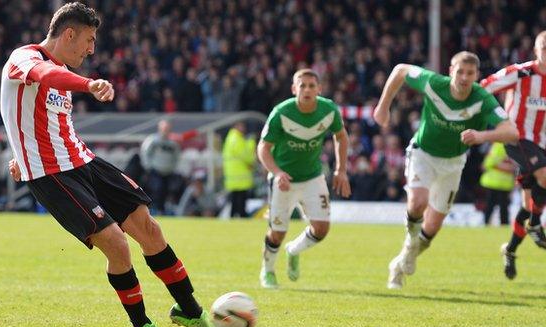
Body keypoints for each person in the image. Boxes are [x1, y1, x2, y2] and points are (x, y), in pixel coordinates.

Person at [0, 3, 219, 327]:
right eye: (88, 40)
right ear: (68, 34)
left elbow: (41, 120)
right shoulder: (25, 58)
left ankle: (189, 309)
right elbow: (43, 76)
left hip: (84, 162)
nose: (91, 49)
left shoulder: (61, 71)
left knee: (149, 228)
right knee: (116, 244)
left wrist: (19, 150)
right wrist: (88, 85)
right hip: (51, 174)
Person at [373, 51, 519, 289]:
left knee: (432, 228)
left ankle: (399, 264)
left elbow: (511, 131)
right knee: (417, 203)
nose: (463, 77)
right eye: (459, 71)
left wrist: (482, 135)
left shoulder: (481, 99)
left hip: (453, 163)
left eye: (469, 73)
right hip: (423, 154)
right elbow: (400, 69)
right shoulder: (433, 83)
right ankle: (410, 246)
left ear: (476, 76)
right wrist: (383, 106)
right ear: (451, 71)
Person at [257, 68, 351, 289]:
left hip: (312, 178)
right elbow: (263, 148)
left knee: (322, 228)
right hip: (284, 180)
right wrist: (277, 172)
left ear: (319, 89)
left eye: (311, 86)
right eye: (302, 85)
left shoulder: (328, 110)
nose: (307, 89)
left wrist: (341, 169)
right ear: (294, 89)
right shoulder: (281, 113)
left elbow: (341, 136)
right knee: (277, 232)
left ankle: (294, 250)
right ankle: (268, 271)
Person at [480, 31, 546, 279]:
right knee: (544, 176)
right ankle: (537, 225)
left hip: (541, 144)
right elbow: (484, 88)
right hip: (517, 137)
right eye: (544, 47)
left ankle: (510, 250)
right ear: (536, 50)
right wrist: (495, 118)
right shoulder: (521, 72)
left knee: (527, 206)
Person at [140, 119, 182, 215]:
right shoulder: (153, 140)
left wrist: (173, 167)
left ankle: (161, 210)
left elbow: (177, 156)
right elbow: (145, 153)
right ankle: (154, 210)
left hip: (168, 172)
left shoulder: (173, 143)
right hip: (155, 171)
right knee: (156, 190)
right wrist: (148, 167)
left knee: (166, 192)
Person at [222, 121, 256, 218]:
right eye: (241, 126)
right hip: (240, 177)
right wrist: (251, 143)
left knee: (235, 202)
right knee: (240, 203)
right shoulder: (236, 139)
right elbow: (246, 155)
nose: (243, 129)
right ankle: (240, 217)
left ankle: (234, 218)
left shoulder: (232, 138)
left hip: (235, 178)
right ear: (236, 126)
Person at [479, 143, 515, 226]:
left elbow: (487, 164)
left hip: (503, 183)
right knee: (494, 205)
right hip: (494, 182)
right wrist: (508, 168)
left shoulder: (499, 145)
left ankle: (488, 224)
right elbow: (488, 163)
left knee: (500, 206)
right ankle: (487, 224)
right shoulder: (499, 146)